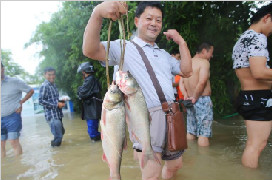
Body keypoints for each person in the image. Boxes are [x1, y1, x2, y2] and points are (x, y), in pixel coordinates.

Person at [82, 1, 192, 180]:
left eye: (158, 20)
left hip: (173, 114)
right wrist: (97, 13)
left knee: (175, 165)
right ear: (136, 21)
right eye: (149, 18)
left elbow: (187, 71)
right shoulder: (123, 47)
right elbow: (90, 50)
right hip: (145, 116)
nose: (154, 23)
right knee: (151, 174)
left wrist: (181, 42)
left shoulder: (163, 54)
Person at [232, 3, 272, 169]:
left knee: (254, 144)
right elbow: (259, 72)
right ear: (267, 18)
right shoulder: (257, 37)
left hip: (250, 97)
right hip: (258, 98)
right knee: (256, 145)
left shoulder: (243, 38)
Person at [179, 42, 214, 147]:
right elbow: (202, 81)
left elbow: (181, 83)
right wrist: (195, 97)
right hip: (201, 99)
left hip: (189, 100)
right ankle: (204, 161)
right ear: (204, 51)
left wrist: (186, 95)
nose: (211, 56)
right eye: (210, 53)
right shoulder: (204, 63)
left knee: (190, 131)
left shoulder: (186, 63)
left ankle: (192, 154)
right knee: (204, 134)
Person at [1, 62, 34, 157]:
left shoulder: (14, 81)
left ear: (3, 69)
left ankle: (19, 166)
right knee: (1, 144)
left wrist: (21, 102)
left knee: (13, 141)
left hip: (12, 116)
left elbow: (30, 90)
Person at [39, 67, 66, 147]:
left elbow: (53, 99)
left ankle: (55, 150)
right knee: (58, 137)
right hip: (52, 115)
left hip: (58, 114)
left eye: (53, 74)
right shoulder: (45, 86)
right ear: (45, 75)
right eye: (49, 75)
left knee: (62, 132)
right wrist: (56, 104)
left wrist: (61, 102)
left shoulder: (54, 85)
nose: (52, 76)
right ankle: (56, 155)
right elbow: (41, 101)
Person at [77, 62, 102, 142]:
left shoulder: (90, 79)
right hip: (92, 107)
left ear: (84, 72)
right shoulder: (91, 79)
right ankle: (100, 139)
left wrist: (79, 90)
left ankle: (98, 140)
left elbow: (82, 93)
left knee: (92, 130)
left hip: (92, 108)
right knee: (92, 128)